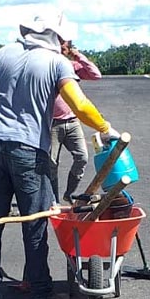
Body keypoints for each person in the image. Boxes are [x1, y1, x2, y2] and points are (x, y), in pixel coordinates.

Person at [0, 17, 120, 299]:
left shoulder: (2, 53)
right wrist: (104, 128)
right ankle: (41, 292)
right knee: (35, 220)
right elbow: (79, 105)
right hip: (28, 150)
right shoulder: (56, 62)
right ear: (56, 37)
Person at [49, 27, 101, 203]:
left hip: (72, 121)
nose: (64, 47)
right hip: (52, 123)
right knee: (51, 164)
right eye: (61, 43)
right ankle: (53, 200)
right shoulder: (48, 65)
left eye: (66, 44)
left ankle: (69, 193)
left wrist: (78, 56)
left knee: (82, 158)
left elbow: (95, 74)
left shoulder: (71, 66)